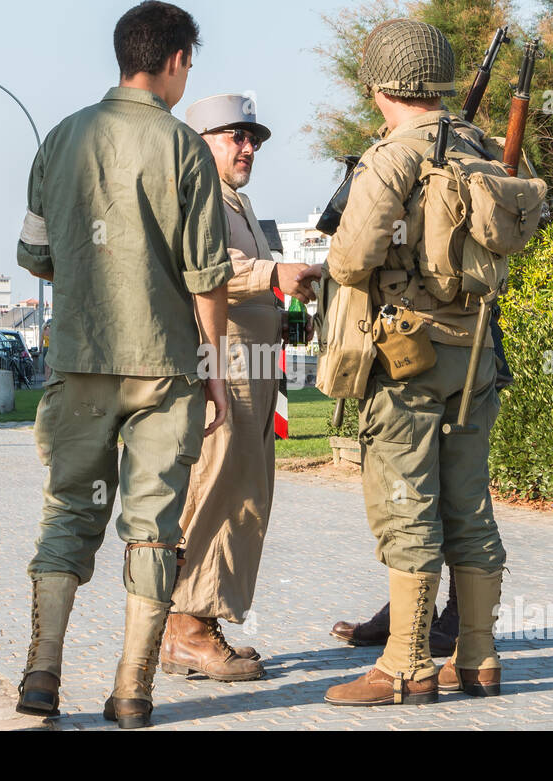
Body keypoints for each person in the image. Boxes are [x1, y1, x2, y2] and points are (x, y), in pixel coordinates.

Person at [13, 0, 233, 729]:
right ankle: (133, 689)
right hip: (167, 367)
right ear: (173, 60)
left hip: (78, 359)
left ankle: (40, 675)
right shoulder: (185, 148)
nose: (186, 77)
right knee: (153, 526)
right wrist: (217, 370)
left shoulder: (59, 138)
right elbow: (208, 276)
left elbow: (35, 256)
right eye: (189, 65)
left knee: (68, 509)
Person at [321, 19, 525, 707]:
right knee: (469, 501)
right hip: (476, 356)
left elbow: (349, 259)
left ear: (380, 85)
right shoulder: (485, 149)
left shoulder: (393, 157)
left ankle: (406, 664)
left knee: (408, 503)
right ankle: (479, 656)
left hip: (404, 357)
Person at [155, 94, 322, 682]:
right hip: (218, 369)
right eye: (236, 136)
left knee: (243, 500)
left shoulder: (237, 201)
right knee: (211, 494)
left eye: (254, 138)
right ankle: (185, 629)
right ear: (201, 140)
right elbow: (203, 268)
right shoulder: (188, 193)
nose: (250, 147)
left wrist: (291, 304)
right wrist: (271, 272)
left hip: (255, 370)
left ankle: (203, 619)